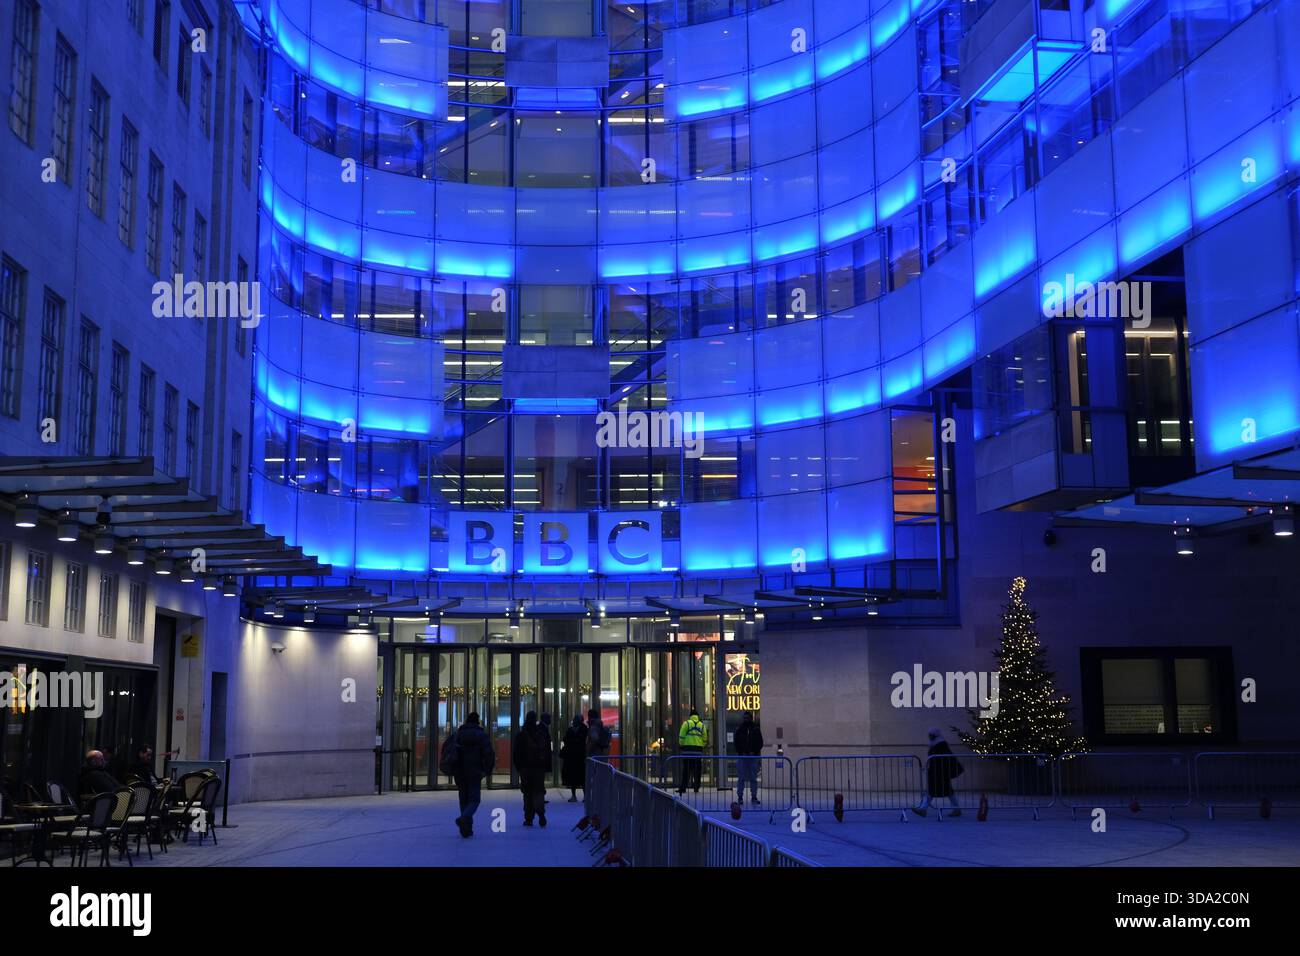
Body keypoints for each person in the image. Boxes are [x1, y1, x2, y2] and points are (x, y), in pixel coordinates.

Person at [443, 712, 494, 837]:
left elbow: (446, 748)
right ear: (477, 722)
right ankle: (464, 818)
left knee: (463, 799)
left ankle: (466, 828)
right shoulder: (482, 736)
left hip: (459, 771)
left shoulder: (457, 735)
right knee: (474, 799)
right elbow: (488, 754)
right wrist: (487, 770)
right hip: (475, 770)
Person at [912, 728, 961, 817]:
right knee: (945, 791)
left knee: (936, 791)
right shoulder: (937, 744)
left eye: (931, 735)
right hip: (937, 772)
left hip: (940, 772)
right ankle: (956, 809)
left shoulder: (941, 745)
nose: (929, 737)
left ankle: (923, 809)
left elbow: (942, 759)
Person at [514, 711, 549, 827]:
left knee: (527, 793)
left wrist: (518, 766)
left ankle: (528, 818)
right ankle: (541, 813)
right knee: (538, 792)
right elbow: (546, 750)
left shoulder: (522, 734)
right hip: (538, 768)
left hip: (525, 768)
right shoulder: (540, 734)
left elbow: (516, 753)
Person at [733, 711, 763, 805]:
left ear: (750, 718)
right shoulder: (740, 729)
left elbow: (760, 743)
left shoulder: (755, 729)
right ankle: (740, 796)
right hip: (743, 756)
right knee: (741, 777)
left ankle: (754, 796)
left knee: (753, 778)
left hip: (753, 756)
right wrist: (741, 752)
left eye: (747, 718)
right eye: (745, 718)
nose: (746, 719)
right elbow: (736, 743)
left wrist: (754, 751)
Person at [676, 709, 708, 795]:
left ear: (690, 716)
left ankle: (683, 788)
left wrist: (682, 745)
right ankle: (696, 787)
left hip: (687, 750)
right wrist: (702, 745)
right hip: (698, 750)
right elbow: (705, 738)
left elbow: (681, 736)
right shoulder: (702, 725)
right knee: (697, 770)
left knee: (686, 770)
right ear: (697, 716)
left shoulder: (686, 723)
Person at [559, 714, 588, 801]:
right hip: (572, 756)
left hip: (580, 756)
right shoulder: (572, 729)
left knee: (582, 777)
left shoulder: (584, 729)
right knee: (573, 777)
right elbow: (566, 739)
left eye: (576, 719)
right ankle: (573, 795)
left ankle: (584, 796)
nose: (574, 721)